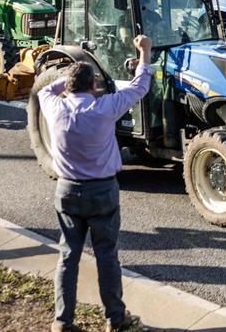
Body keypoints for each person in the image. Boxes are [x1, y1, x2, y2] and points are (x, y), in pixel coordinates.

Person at [37, 35, 153, 332]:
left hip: (66, 190)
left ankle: (63, 320)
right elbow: (140, 87)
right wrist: (145, 53)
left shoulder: (54, 108)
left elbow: (43, 92)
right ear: (94, 86)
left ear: (69, 88)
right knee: (107, 257)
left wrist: (66, 79)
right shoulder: (105, 108)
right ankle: (115, 317)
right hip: (102, 191)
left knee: (67, 257)